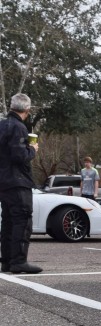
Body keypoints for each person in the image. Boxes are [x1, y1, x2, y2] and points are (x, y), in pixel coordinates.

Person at [0, 93, 42, 274]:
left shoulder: (1, 125)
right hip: (18, 181)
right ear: (27, 110)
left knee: (8, 221)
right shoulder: (19, 127)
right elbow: (19, 156)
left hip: (3, 181)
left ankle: (7, 261)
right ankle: (19, 261)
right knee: (23, 220)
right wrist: (32, 150)